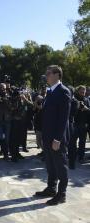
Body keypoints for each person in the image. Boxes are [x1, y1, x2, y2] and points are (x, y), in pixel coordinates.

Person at [35, 65, 71, 206]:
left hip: (57, 138)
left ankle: (61, 194)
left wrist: (57, 139)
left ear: (57, 75)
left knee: (60, 167)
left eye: (48, 73)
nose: (46, 76)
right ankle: (51, 188)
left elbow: (63, 118)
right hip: (48, 136)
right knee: (50, 165)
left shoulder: (64, 92)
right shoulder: (50, 91)